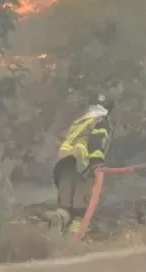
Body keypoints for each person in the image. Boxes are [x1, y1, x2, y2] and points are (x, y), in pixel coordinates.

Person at [49, 92, 114, 237]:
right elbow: (97, 140)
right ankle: (74, 238)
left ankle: (58, 221)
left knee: (65, 205)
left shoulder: (81, 121)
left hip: (64, 165)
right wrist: (96, 163)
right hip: (83, 166)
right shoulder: (101, 121)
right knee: (80, 208)